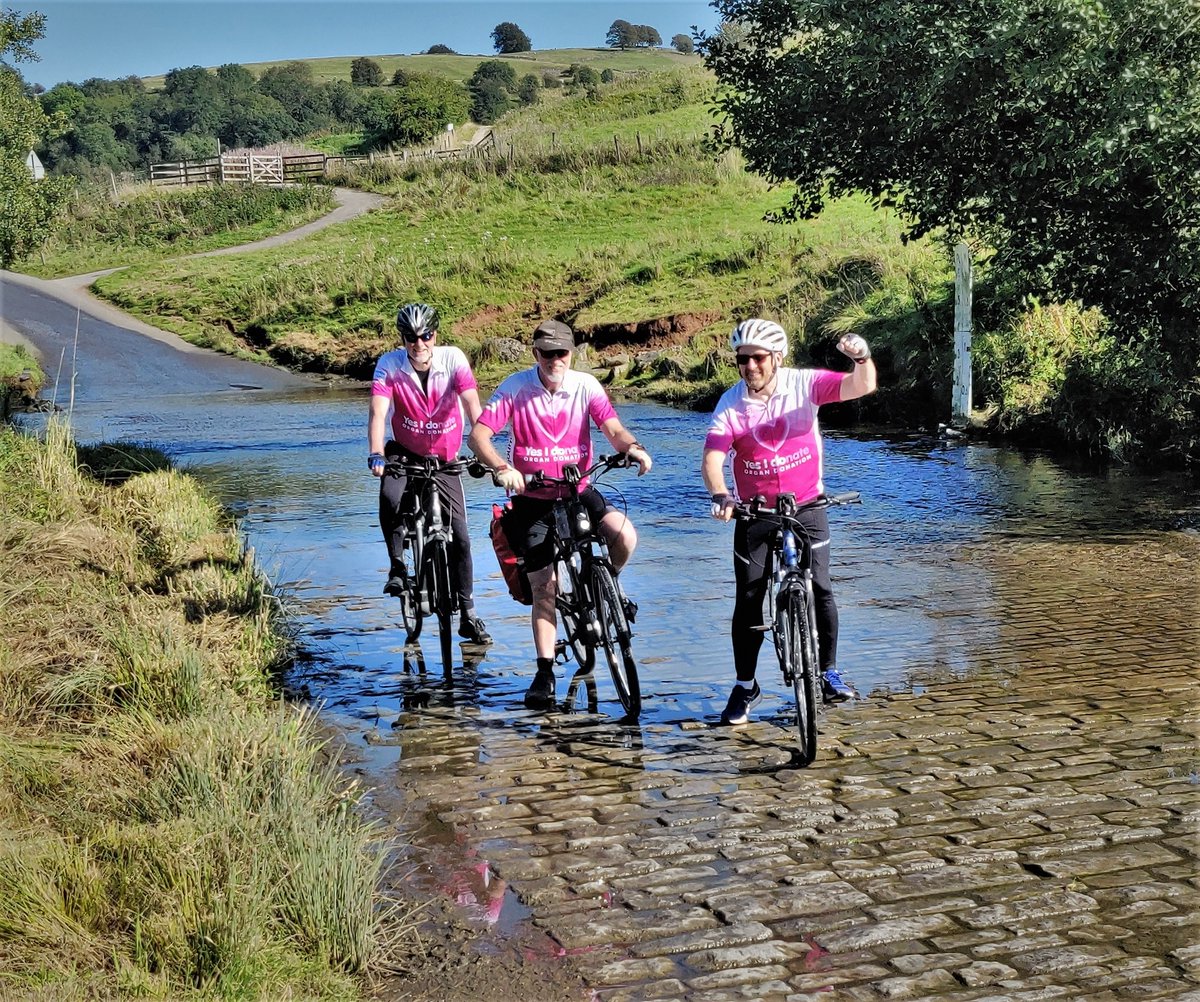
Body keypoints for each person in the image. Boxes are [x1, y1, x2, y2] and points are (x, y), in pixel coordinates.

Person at [468, 319, 652, 709]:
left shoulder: (586, 386)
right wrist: (503, 468)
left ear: (572, 354)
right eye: (547, 353)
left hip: (577, 489)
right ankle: (545, 670)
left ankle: (607, 592)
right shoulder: (516, 388)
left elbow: (612, 427)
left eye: (562, 353)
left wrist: (631, 447)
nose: (555, 360)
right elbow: (480, 435)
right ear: (535, 354)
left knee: (624, 535)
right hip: (533, 498)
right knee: (544, 588)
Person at [701, 318, 877, 725]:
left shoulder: (804, 384)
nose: (750, 367)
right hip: (755, 511)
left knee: (821, 587)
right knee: (748, 598)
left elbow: (861, 385)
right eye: (742, 360)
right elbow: (712, 458)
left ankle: (828, 672)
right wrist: (721, 494)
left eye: (758, 358)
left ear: (777, 358)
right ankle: (746, 687)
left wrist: (861, 357)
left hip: (808, 504)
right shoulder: (730, 403)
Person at [368, 303, 491, 644]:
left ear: (436, 334)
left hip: (445, 457)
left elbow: (472, 406)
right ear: (402, 338)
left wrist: (483, 452)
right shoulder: (389, 365)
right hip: (405, 452)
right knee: (391, 496)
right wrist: (376, 453)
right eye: (411, 337)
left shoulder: (454, 360)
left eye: (426, 336)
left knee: (462, 536)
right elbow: (378, 414)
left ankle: (468, 614)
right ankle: (396, 566)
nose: (419, 344)